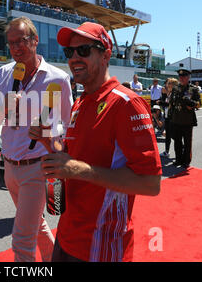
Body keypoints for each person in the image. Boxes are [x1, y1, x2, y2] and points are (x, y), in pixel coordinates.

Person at [29, 21, 161, 262]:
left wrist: (81, 171)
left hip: (101, 246)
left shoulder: (126, 103)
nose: (74, 58)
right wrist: (48, 141)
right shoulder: (81, 102)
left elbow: (151, 184)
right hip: (67, 235)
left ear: (106, 55)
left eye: (84, 50)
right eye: (70, 52)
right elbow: (71, 157)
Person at [0, 16, 73, 262]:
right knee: (39, 227)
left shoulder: (58, 78)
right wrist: (3, 107)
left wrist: (47, 132)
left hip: (38, 167)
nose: (15, 48)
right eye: (10, 43)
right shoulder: (3, 73)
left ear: (34, 41)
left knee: (22, 240)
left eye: (21, 41)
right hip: (9, 168)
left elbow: (69, 125)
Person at [168, 68, 201, 168]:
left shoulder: (193, 89)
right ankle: (178, 159)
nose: (181, 78)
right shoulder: (175, 88)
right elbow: (172, 104)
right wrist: (170, 116)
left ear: (188, 77)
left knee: (187, 143)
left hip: (187, 121)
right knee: (177, 142)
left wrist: (191, 104)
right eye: (180, 77)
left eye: (184, 77)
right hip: (176, 120)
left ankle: (186, 161)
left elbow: (199, 104)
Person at [158, 77, 178, 157]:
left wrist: (161, 103)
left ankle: (182, 148)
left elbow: (172, 105)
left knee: (174, 135)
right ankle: (167, 151)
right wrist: (161, 102)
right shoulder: (169, 93)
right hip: (167, 116)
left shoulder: (175, 93)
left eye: (170, 83)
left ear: (174, 85)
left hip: (173, 117)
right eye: (168, 83)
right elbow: (167, 105)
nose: (167, 84)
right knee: (168, 135)